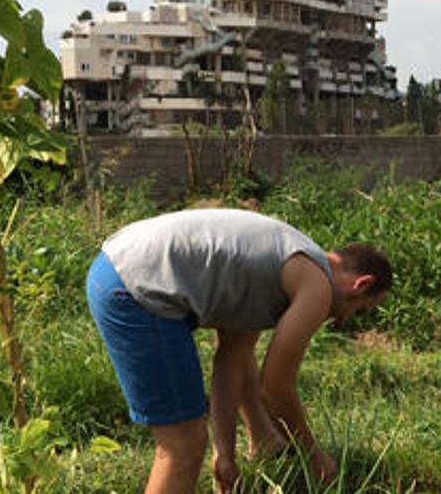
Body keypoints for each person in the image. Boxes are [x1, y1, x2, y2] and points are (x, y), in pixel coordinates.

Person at [85, 208, 392, 493]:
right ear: (361, 284)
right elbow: (275, 388)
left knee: (190, 441)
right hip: (135, 286)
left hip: (119, 266)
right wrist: (313, 456)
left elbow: (231, 359)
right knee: (184, 444)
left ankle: (263, 442)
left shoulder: (276, 263)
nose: (345, 319)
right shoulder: (317, 285)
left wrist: (225, 455)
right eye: (360, 310)